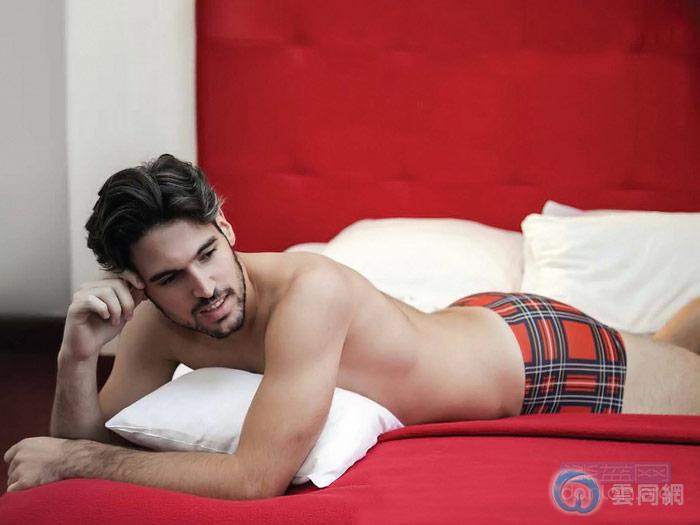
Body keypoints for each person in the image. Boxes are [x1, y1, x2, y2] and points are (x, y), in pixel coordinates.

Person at [4, 154, 700, 499]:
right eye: (170, 279)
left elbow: (255, 477)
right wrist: (75, 357)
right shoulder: (158, 323)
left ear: (227, 226)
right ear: (139, 285)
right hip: (467, 324)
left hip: (535, 359)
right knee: (668, 349)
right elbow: (88, 443)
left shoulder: (311, 294)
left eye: (208, 254)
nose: (204, 289)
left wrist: (77, 461)